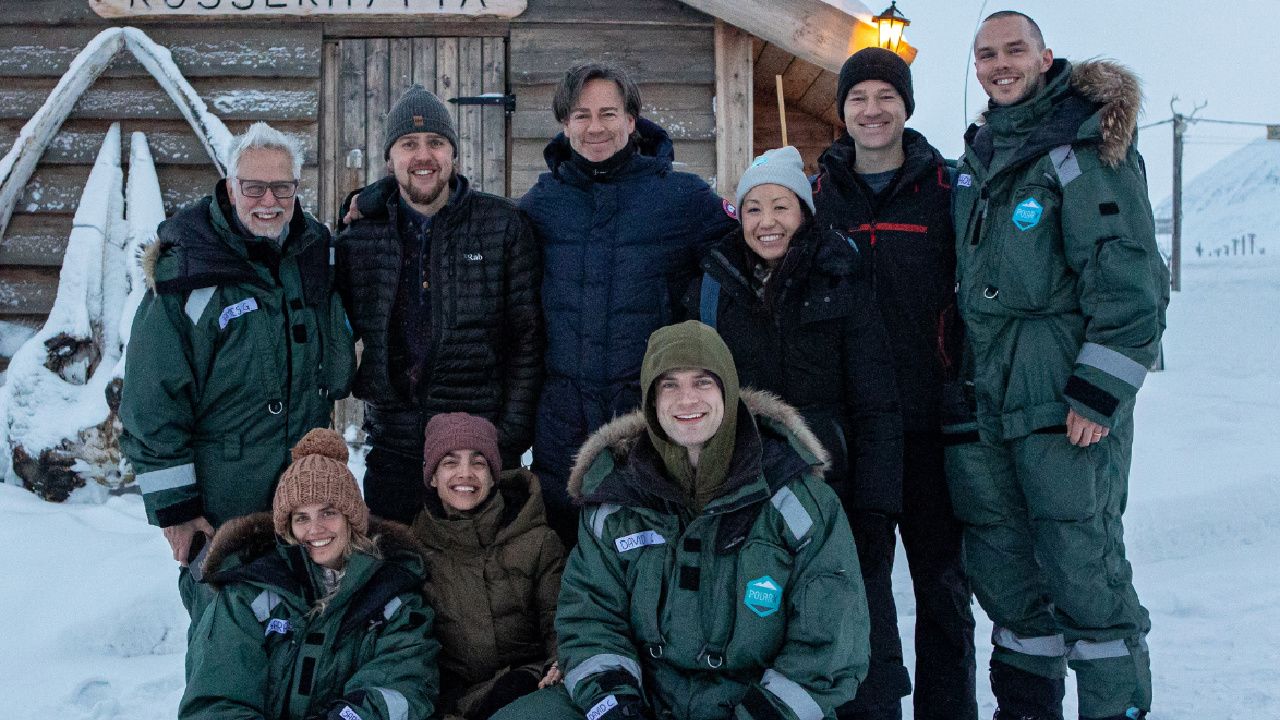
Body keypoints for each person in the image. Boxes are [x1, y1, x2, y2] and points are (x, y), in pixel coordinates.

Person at [947, 12, 1169, 720]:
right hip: (990, 404)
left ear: (1046, 57)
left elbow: (1131, 284)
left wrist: (1097, 396)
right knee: (1010, 583)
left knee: (1085, 580)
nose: (1000, 64)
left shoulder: (1083, 151)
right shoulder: (981, 157)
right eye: (987, 54)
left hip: (1064, 407)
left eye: (1016, 50)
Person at [493, 320, 869, 720]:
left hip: (755, 704)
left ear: (727, 389)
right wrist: (617, 705)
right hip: (645, 697)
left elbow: (829, 645)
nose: (686, 399)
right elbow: (591, 617)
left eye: (702, 382)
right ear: (652, 402)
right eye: (669, 385)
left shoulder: (799, 503)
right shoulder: (617, 498)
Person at [680, 146, 909, 717]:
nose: (767, 222)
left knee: (855, 622)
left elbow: (877, 402)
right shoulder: (712, 287)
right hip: (746, 491)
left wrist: (879, 506)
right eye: (754, 208)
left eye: (781, 206)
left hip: (838, 486)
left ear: (804, 211)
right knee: (764, 621)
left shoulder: (840, 277)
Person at [120, 122, 354, 621]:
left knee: (303, 635)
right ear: (229, 187)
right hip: (224, 503)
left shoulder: (313, 254)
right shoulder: (188, 273)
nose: (268, 200)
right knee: (229, 642)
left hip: (302, 497)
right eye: (253, 187)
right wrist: (178, 513)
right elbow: (149, 403)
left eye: (282, 187)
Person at [812, 48, 977, 720]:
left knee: (943, 589)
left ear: (906, 106)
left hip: (933, 425)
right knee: (862, 588)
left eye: (886, 96)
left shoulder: (947, 190)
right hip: (853, 434)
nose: (872, 110)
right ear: (842, 110)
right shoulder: (817, 198)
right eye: (859, 98)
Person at [519, 62, 739, 545]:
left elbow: (754, 244)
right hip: (562, 422)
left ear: (632, 120)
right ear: (564, 124)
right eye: (581, 115)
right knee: (565, 560)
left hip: (646, 421)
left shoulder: (681, 198)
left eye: (608, 113)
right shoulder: (540, 204)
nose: (595, 127)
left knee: (647, 557)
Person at [337, 84, 543, 524]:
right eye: (408, 145)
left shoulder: (502, 226)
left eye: (435, 142)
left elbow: (528, 340)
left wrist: (507, 439)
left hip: (477, 449)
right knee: (393, 573)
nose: (423, 155)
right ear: (390, 159)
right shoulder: (361, 237)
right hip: (395, 447)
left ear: (454, 154)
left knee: (477, 585)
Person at [179, 428, 438, 720]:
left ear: (351, 518)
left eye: (328, 512)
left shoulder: (394, 598)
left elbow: (404, 687)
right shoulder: (247, 595)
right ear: (287, 527)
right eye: (302, 517)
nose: (315, 529)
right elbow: (215, 700)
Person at [411, 412, 566, 719]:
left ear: (494, 475)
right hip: (448, 693)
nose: (465, 474)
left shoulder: (537, 542)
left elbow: (558, 623)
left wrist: (556, 665)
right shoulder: (415, 548)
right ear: (432, 476)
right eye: (450, 462)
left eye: (478, 462)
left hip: (526, 684)